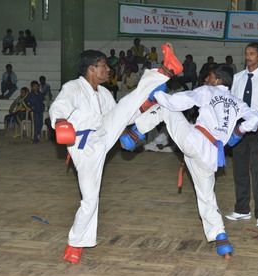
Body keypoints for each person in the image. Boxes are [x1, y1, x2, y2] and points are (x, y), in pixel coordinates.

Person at [49, 44, 183, 264]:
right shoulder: (72, 87)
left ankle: (165, 71)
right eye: (103, 66)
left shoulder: (103, 92)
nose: (108, 70)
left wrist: (143, 106)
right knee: (90, 200)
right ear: (91, 69)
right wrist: (61, 122)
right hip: (85, 144)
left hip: (104, 132)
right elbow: (59, 106)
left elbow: (122, 116)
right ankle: (75, 243)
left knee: (127, 104)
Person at [128, 64, 258, 258]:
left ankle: (133, 134)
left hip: (196, 142)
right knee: (207, 197)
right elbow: (255, 118)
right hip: (212, 156)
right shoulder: (237, 102)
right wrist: (237, 133)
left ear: (217, 80)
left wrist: (157, 95)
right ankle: (222, 240)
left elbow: (179, 102)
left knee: (166, 108)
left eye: (209, 77)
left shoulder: (208, 90)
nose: (206, 80)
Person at [226, 42, 258, 228]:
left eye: (252, 53)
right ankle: (242, 209)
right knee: (239, 170)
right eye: (246, 53)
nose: (249, 57)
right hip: (240, 127)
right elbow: (231, 106)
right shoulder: (237, 78)